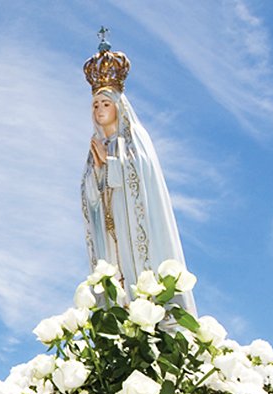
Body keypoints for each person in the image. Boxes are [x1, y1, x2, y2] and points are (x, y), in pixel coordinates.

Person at [80, 30, 196, 314]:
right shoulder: (96, 146)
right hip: (110, 235)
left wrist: (112, 165)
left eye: (105, 103)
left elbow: (144, 176)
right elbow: (90, 197)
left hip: (135, 232)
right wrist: (97, 173)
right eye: (95, 104)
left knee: (141, 288)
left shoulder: (134, 140)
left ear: (119, 107)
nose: (99, 110)